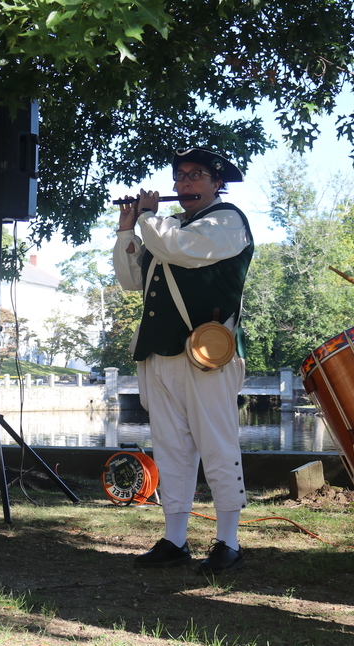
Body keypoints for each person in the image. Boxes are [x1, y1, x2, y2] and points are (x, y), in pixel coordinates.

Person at [113, 147, 253, 574]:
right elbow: (130, 280)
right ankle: (175, 540)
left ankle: (228, 541)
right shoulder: (165, 226)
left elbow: (182, 250)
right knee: (171, 446)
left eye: (195, 176)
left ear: (216, 183)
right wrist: (125, 232)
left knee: (216, 442)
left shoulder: (227, 221)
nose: (184, 184)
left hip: (206, 352)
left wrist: (147, 218)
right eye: (179, 177)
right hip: (160, 350)